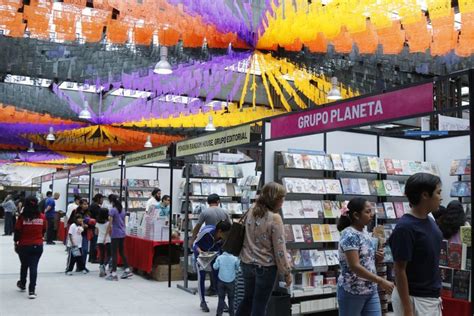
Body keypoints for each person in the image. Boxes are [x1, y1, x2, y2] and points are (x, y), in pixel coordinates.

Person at [389, 173, 443, 316]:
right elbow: (400, 270)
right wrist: (407, 309)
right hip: (414, 299)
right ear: (425, 195)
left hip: (431, 297)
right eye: (438, 193)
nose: (441, 197)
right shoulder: (405, 228)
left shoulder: (430, 220)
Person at [236, 182, 292, 316]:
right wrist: (286, 272)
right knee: (260, 305)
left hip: (246, 263)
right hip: (265, 267)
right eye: (281, 199)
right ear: (274, 199)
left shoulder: (251, 210)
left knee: (247, 299)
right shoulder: (275, 218)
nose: (282, 202)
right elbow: (280, 249)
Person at [336, 197, 394, 316]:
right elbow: (355, 266)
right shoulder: (349, 235)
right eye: (367, 212)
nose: (371, 214)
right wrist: (381, 281)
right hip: (352, 290)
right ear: (356, 215)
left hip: (370, 289)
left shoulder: (365, 233)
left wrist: (377, 258)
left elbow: (366, 262)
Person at [191, 193, 231, 297]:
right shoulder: (224, 211)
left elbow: (198, 226)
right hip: (220, 242)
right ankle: (218, 288)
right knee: (217, 266)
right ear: (218, 201)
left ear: (208, 202)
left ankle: (212, 288)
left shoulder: (205, 212)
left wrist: (193, 238)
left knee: (207, 265)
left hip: (208, 239)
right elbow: (229, 226)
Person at [194, 220, 232, 312]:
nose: (227, 236)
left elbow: (222, 249)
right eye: (226, 234)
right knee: (201, 277)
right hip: (201, 256)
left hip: (214, 256)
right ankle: (202, 301)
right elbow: (195, 244)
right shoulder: (206, 233)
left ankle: (222, 302)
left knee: (218, 278)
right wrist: (200, 252)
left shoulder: (222, 238)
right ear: (219, 231)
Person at [14, 196, 46, 299]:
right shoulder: (42, 217)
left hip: (24, 245)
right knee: (34, 267)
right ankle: (32, 291)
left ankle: (22, 283)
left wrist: (16, 243)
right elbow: (44, 230)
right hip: (37, 245)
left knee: (24, 265)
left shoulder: (22, 217)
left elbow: (17, 231)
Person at [106, 194, 132, 281]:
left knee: (114, 253)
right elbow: (124, 223)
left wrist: (106, 233)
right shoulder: (122, 210)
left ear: (111, 201)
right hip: (122, 233)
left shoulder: (112, 210)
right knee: (121, 252)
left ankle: (113, 273)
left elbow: (110, 223)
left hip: (115, 233)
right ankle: (127, 269)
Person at [213, 251, 240, 316]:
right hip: (231, 280)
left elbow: (215, 267)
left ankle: (219, 314)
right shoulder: (235, 258)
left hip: (221, 281)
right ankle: (232, 314)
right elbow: (238, 268)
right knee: (231, 299)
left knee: (221, 298)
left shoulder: (220, 257)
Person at [88, 194, 104, 263]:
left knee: (93, 242)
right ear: (98, 199)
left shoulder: (93, 205)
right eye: (102, 199)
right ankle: (93, 258)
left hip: (92, 225)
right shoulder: (96, 207)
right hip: (94, 226)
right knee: (94, 242)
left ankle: (91, 258)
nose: (102, 200)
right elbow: (98, 217)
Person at [96, 208, 111, 277]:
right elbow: (110, 232)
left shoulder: (97, 222)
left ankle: (101, 266)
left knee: (101, 255)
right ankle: (104, 266)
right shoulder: (108, 223)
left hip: (99, 239)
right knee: (109, 254)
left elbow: (96, 232)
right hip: (107, 240)